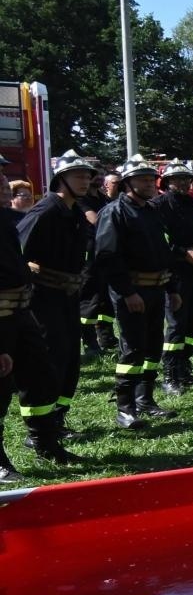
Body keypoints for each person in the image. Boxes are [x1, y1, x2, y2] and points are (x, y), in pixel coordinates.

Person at [94, 157, 181, 429]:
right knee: (132, 350)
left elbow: (163, 252)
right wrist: (127, 293)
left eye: (151, 179)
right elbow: (107, 257)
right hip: (132, 293)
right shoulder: (115, 212)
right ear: (127, 183)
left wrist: (172, 289)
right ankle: (125, 408)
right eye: (142, 179)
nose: (149, 184)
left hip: (156, 290)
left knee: (152, 348)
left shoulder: (152, 212)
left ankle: (146, 400)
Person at [18, 153, 95, 449]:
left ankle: (57, 420)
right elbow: (18, 256)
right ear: (60, 180)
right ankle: (37, 431)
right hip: (42, 301)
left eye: (88, 177)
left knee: (68, 361)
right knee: (48, 362)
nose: (85, 181)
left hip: (66, 298)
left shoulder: (75, 212)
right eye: (78, 176)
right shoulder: (44, 212)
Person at [151, 163, 193, 393]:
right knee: (176, 324)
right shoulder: (158, 206)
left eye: (186, 179)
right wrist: (183, 253)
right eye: (177, 179)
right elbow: (157, 241)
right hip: (174, 273)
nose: (183, 183)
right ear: (167, 182)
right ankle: (169, 374)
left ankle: (184, 367)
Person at [78, 167, 119, 357]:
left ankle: (106, 336)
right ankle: (89, 342)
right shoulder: (82, 200)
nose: (99, 178)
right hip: (89, 256)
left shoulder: (103, 199)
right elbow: (95, 220)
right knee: (89, 299)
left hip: (105, 253)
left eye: (101, 175)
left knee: (106, 300)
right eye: (95, 175)